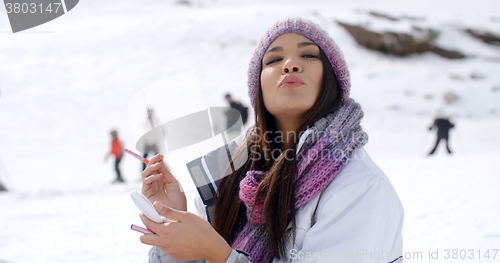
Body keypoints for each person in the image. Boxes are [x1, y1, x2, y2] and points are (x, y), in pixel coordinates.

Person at [138, 18, 404, 263]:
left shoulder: (361, 186)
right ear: (259, 87)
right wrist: (171, 225)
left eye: (308, 55)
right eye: (274, 60)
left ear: (333, 80)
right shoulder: (229, 177)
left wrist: (217, 253)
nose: (290, 64)